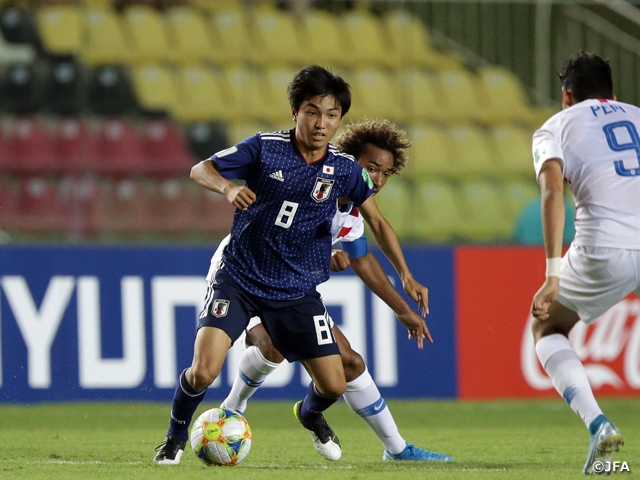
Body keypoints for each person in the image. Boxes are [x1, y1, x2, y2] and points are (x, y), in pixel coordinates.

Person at [153, 66, 431, 465]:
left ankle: (309, 413)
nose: (321, 123)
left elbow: (377, 223)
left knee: (336, 381)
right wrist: (229, 186)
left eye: (331, 115)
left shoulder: (346, 170)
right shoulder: (265, 148)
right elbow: (201, 169)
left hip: (295, 289)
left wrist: (406, 276)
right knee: (203, 371)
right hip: (241, 276)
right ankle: (175, 438)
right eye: (312, 112)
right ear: (295, 112)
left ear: (340, 120)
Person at [217, 119, 453, 462]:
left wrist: (404, 301)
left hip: (292, 284)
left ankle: (395, 448)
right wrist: (329, 257)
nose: (379, 180)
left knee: (351, 364)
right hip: (244, 268)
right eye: (371, 168)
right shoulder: (312, 181)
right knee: (270, 346)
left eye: (386, 173)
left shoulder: (351, 212)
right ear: (346, 161)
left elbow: (364, 258)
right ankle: (233, 407)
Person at [530, 51, 636, 475]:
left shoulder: (554, 126)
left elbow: (552, 192)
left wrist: (552, 274)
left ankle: (598, 425)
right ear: (614, 92)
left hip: (604, 245)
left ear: (565, 96)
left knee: (548, 327)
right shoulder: (636, 115)